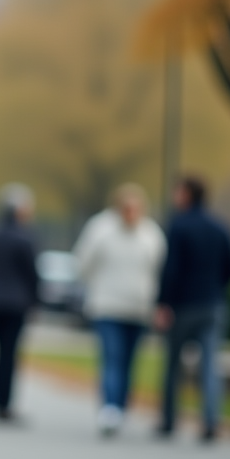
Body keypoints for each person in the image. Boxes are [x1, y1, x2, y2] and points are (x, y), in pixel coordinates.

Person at [73, 183, 166, 437]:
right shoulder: (100, 229)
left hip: (138, 308)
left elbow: (159, 269)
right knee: (112, 357)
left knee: (129, 361)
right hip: (107, 306)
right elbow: (83, 262)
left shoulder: (150, 233)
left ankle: (122, 406)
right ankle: (110, 408)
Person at [155, 175, 230, 443]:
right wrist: (217, 289)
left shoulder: (178, 226)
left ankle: (169, 420)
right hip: (213, 304)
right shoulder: (220, 226)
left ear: (187, 195)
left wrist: (163, 303)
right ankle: (211, 421)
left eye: (177, 192)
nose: (174, 197)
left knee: (172, 364)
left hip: (183, 305)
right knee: (210, 365)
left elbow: (171, 270)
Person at [0, 183, 39, 423]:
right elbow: (31, 274)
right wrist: (36, 301)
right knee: (10, 354)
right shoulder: (24, 238)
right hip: (16, 303)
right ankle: (6, 404)